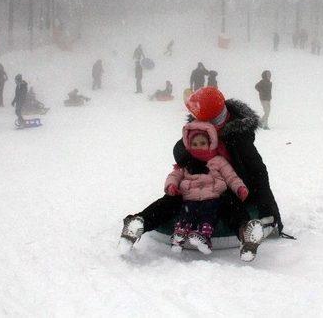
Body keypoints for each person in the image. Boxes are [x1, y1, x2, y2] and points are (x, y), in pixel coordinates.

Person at [120, 87, 284, 262]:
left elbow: (257, 171)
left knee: (229, 205)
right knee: (172, 201)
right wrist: (181, 170)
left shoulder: (238, 138)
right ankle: (139, 222)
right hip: (194, 182)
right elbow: (182, 154)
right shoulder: (198, 130)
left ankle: (246, 232)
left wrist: (268, 208)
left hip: (224, 185)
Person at [165, 121, 249, 254]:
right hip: (190, 198)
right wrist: (171, 185)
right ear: (189, 145)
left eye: (202, 143)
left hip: (212, 196)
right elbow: (174, 175)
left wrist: (240, 188)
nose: (199, 147)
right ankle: (180, 233)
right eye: (195, 144)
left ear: (210, 143)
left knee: (209, 212)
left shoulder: (218, 161)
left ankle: (204, 236)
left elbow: (231, 177)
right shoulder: (186, 162)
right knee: (187, 212)